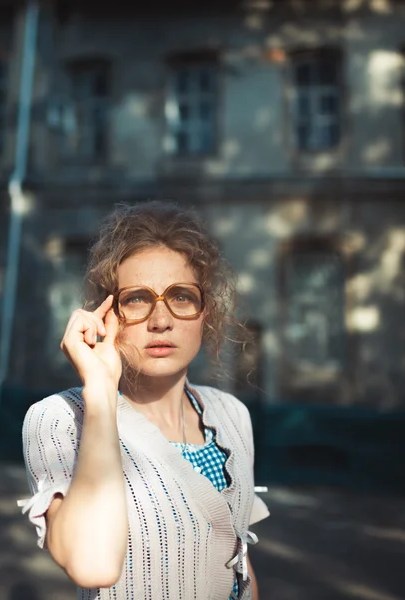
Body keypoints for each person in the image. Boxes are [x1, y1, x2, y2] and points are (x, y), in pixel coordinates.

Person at [18, 201, 270, 600]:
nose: (161, 320)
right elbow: (93, 565)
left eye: (181, 297)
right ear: (107, 315)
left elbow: (238, 558)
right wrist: (100, 392)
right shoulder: (62, 420)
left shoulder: (230, 415)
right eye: (137, 299)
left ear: (205, 312)